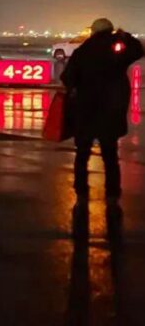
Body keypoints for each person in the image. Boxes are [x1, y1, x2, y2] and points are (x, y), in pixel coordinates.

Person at [61, 18, 143, 202]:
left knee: (82, 153)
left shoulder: (82, 51)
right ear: (110, 30)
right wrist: (126, 36)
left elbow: (67, 77)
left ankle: (81, 188)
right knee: (110, 155)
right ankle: (112, 191)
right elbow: (138, 50)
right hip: (110, 111)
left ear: (93, 31)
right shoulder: (117, 50)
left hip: (86, 110)